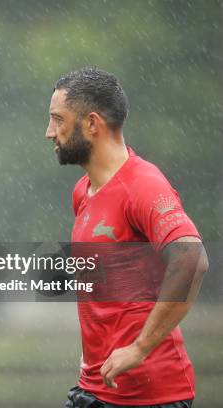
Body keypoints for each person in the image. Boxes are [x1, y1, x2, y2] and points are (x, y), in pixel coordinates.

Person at [45, 67, 208, 407]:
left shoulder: (142, 184)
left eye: (58, 120)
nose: (49, 132)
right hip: (94, 389)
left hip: (150, 396)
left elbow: (191, 259)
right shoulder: (82, 192)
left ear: (92, 124)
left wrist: (139, 348)